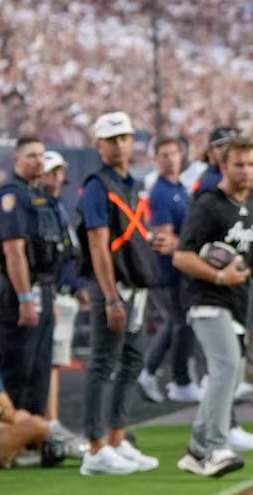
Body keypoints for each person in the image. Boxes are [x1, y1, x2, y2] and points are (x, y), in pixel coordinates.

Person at [173, 137, 253, 477]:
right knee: (225, 367)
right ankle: (214, 447)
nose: (247, 171)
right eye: (239, 164)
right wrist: (219, 276)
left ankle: (197, 448)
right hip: (208, 299)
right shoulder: (209, 203)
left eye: (252, 164)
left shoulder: (248, 201)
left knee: (229, 371)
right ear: (222, 166)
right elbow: (182, 256)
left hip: (237, 299)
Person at [77, 112, 160, 475]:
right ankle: (95, 447)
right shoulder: (98, 186)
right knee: (103, 362)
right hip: (114, 286)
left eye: (124, 138)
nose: (120, 145)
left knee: (131, 361)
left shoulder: (128, 183)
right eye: (112, 140)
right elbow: (98, 246)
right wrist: (110, 297)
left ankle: (116, 437)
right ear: (99, 145)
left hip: (134, 285)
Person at [0, 137, 61, 420]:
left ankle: (35, 431)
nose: (38, 161)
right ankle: (15, 432)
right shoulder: (12, 195)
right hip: (19, 290)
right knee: (20, 367)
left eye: (41, 155)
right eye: (31, 155)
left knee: (40, 368)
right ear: (16, 159)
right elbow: (13, 250)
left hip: (42, 288)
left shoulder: (37, 195)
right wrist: (25, 298)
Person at [140, 136, 203, 404]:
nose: (169, 159)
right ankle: (178, 379)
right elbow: (163, 239)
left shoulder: (179, 188)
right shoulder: (161, 192)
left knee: (177, 322)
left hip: (182, 267)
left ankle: (152, 372)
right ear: (155, 159)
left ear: (182, 156)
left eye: (173, 153)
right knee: (181, 322)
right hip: (170, 269)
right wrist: (191, 247)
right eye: (163, 155)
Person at [40, 151, 88, 455]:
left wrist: (79, 285)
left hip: (66, 293)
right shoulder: (43, 207)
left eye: (59, 172)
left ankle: (51, 421)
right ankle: (50, 422)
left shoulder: (57, 207)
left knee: (56, 360)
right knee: (51, 360)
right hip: (53, 293)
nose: (57, 178)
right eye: (52, 172)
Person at [0, 326, 54, 471]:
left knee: (23, 416)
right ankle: (34, 457)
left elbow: (8, 410)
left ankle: (28, 455)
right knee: (37, 425)